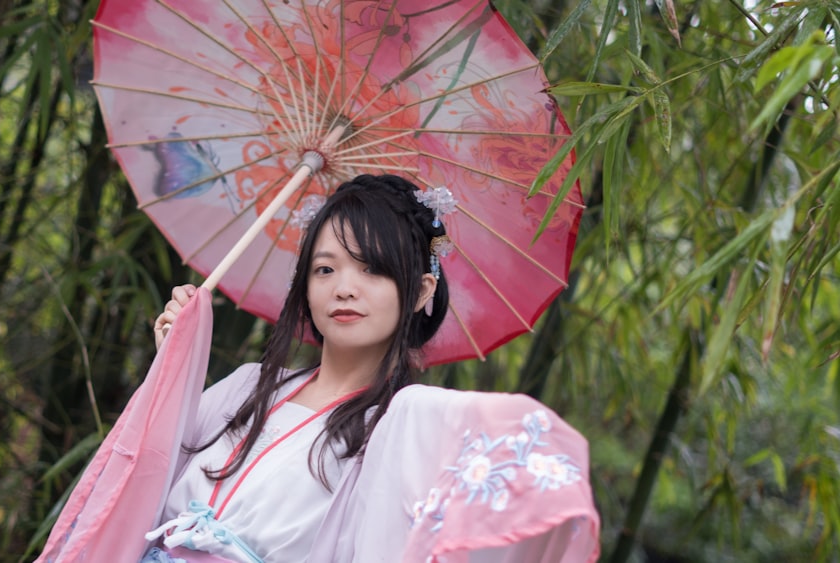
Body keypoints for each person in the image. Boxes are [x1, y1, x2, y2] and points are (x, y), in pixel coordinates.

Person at [39, 174, 599, 563]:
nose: (344, 289)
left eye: (372, 270)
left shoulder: (398, 428)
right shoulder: (245, 389)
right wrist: (171, 371)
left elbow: (505, 446)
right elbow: (140, 474)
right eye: (325, 268)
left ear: (422, 288)